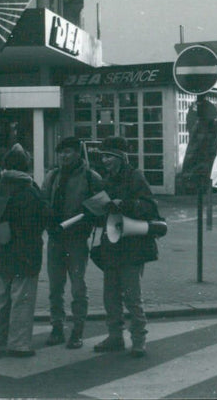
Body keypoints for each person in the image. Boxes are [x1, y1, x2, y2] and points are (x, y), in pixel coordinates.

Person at [0, 144, 51, 357]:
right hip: (26, 252)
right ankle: (18, 343)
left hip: (1, 250)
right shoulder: (29, 189)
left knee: (1, 297)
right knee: (22, 298)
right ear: (25, 166)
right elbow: (43, 217)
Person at [93, 136, 156, 358]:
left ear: (120, 157)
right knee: (110, 296)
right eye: (103, 156)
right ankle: (115, 336)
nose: (105, 160)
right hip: (112, 245)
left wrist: (126, 205)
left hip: (131, 246)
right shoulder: (106, 180)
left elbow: (150, 207)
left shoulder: (135, 177)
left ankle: (139, 339)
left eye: (108, 156)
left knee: (131, 296)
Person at [42, 136, 103, 349]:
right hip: (55, 238)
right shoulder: (52, 176)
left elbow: (101, 207)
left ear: (78, 153)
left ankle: (77, 330)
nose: (63, 156)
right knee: (55, 287)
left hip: (77, 239)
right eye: (60, 152)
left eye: (67, 152)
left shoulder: (90, 177)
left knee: (78, 287)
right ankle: (57, 327)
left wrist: (87, 217)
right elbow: (43, 201)